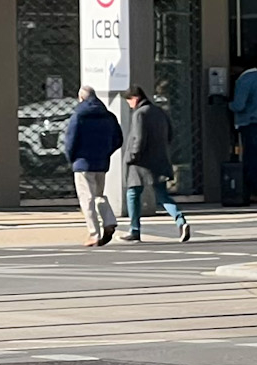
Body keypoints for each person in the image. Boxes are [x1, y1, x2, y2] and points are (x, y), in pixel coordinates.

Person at [120, 85, 191, 243]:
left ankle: (135, 230)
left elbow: (138, 138)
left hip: (140, 163)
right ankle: (180, 220)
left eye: (129, 101)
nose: (129, 105)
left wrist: (132, 156)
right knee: (162, 195)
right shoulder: (160, 111)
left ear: (135, 98)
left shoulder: (139, 114)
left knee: (133, 194)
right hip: (159, 159)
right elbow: (170, 134)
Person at [62, 86, 121, 246]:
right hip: (101, 162)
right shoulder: (108, 116)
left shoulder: (79, 116)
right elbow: (118, 139)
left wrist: (72, 159)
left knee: (86, 198)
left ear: (81, 98)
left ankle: (94, 233)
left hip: (82, 163)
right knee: (98, 195)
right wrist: (106, 152)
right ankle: (109, 220)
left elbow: (70, 141)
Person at [230, 57, 257, 202]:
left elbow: (239, 105)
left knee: (249, 157)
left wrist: (228, 104)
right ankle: (256, 191)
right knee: (256, 155)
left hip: (248, 122)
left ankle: (250, 190)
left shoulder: (244, 80)